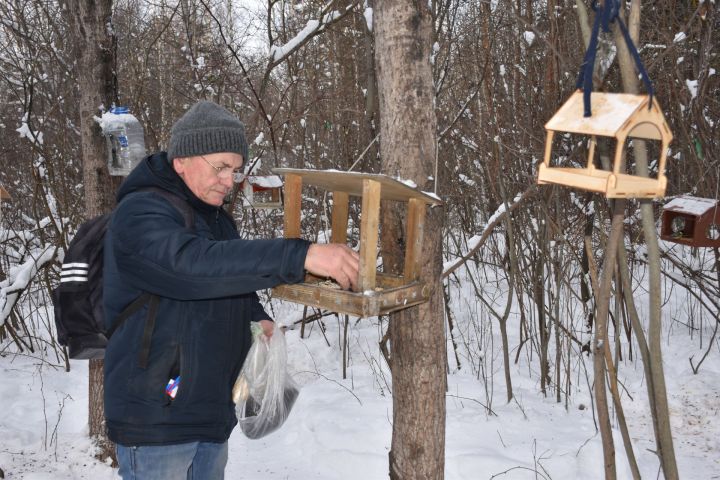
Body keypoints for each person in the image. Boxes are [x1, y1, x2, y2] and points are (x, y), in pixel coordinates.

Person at [103, 100, 359, 479]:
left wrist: (256, 318)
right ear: (181, 160)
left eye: (236, 170)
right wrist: (299, 254)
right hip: (157, 416)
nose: (229, 180)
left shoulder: (216, 219)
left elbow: (225, 281)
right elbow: (189, 267)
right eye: (221, 167)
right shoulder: (140, 213)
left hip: (211, 416)